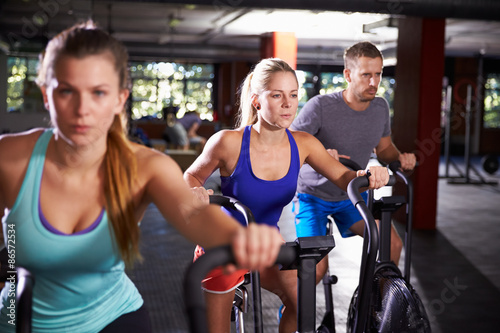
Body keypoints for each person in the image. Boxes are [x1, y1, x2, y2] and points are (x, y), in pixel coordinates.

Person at [0, 22, 284, 333]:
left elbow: (192, 214)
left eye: (98, 92)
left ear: (120, 98)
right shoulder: (11, 158)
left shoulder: (145, 167)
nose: (82, 109)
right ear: (46, 94)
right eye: (67, 91)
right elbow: (9, 252)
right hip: (18, 318)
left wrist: (241, 237)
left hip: (112, 319)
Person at [183, 58, 390, 333]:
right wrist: (193, 192)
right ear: (257, 101)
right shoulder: (227, 142)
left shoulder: (303, 144)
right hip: (224, 244)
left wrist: (372, 175)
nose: (288, 104)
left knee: (301, 301)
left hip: (269, 245)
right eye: (277, 95)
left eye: (293, 95)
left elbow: (344, 177)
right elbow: (190, 177)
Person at [289, 41, 417, 283]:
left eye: (378, 74)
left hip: (351, 196)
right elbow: (290, 148)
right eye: (366, 74)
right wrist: (319, 154)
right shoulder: (321, 106)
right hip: (312, 196)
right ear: (348, 75)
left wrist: (401, 158)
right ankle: (294, 317)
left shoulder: (380, 107)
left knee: (392, 245)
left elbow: (385, 149)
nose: (374, 82)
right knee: (314, 270)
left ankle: (374, 315)